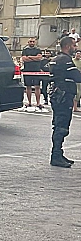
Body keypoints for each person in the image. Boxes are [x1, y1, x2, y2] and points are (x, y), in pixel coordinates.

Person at [48, 36, 81, 167]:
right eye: (74, 45)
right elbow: (77, 77)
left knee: (58, 124)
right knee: (61, 126)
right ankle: (56, 155)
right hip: (63, 96)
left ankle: (58, 153)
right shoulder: (66, 61)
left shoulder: (55, 59)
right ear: (67, 46)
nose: (76, 48)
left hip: (57, 96)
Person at [21, 38, 44, 112]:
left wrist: (30, 57)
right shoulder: (25, 50)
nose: (32, 43)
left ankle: (38, 103)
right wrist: (34, 58)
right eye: (30, 41)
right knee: (28, 86)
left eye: (33, 41)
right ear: (28, 42)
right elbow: (24, 59)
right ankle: (29, 102)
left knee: (37, 86)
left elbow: (39, 58)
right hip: (27, 70)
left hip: (36, 70)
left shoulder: (38, 49)